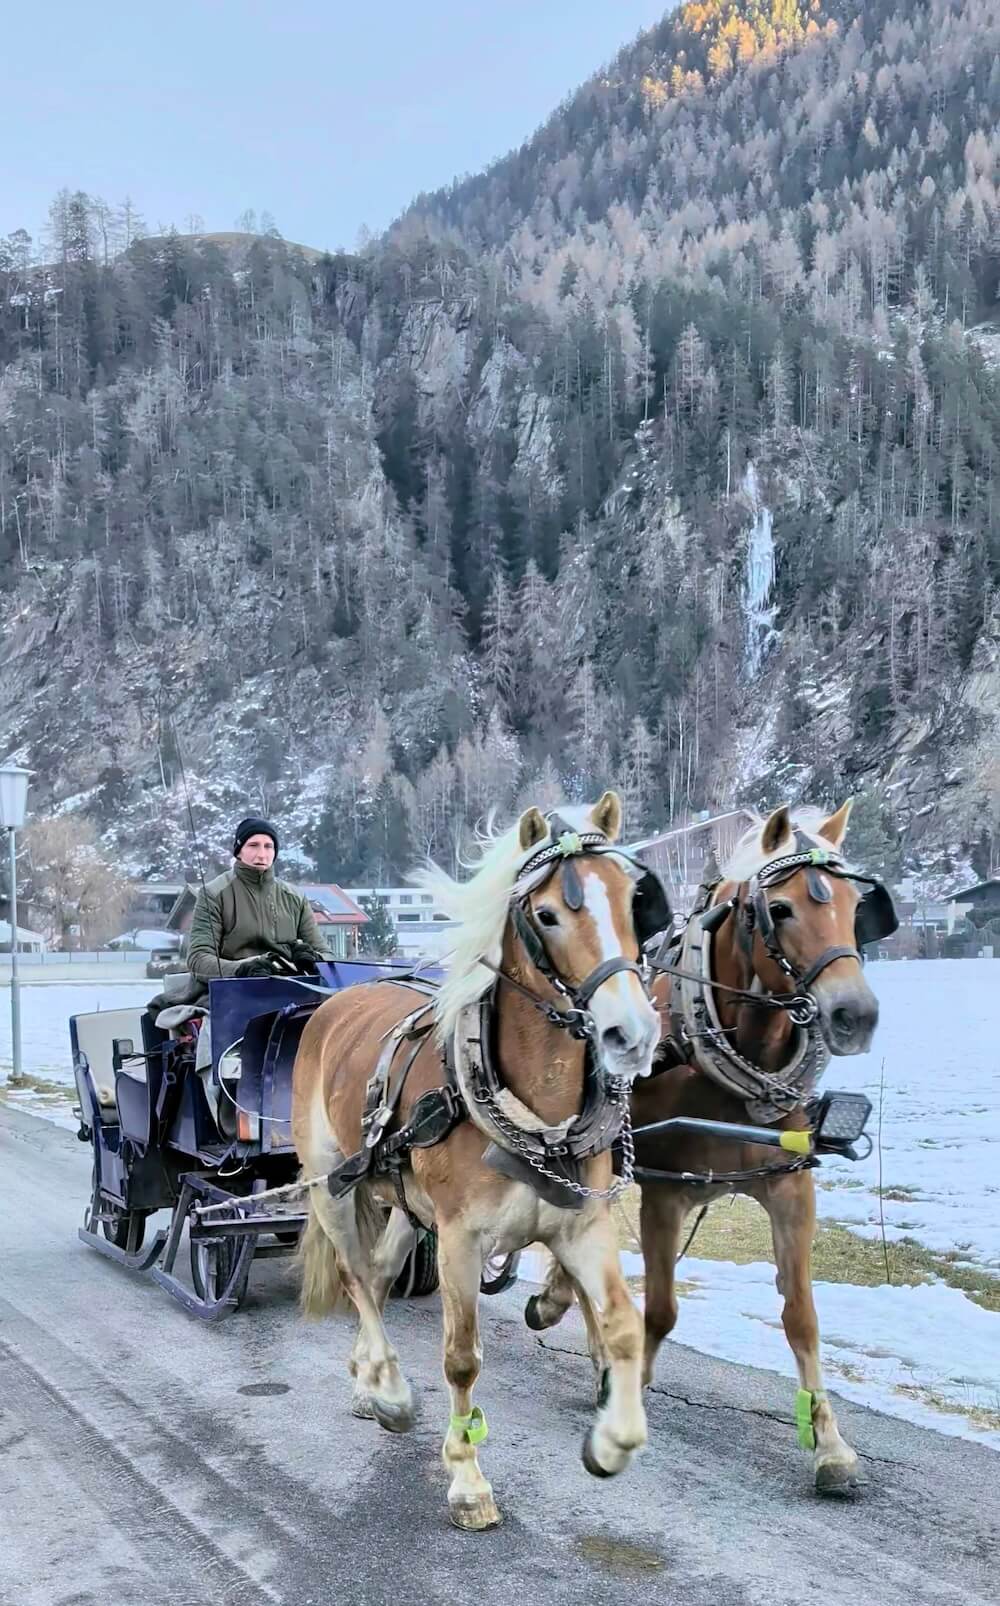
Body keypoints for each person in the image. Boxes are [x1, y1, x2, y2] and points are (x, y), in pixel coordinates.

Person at [186, 816, 332, 980]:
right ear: (239, 851)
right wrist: (241, 969)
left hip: (291, 987)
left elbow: (327, 954)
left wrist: (315, 960)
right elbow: (198, 958)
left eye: (268, 846)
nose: (262, 854)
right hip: (231, 988)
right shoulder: (213, 894)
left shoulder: (295, 897)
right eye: (253, 845)